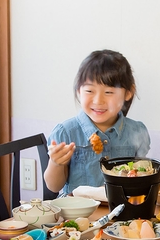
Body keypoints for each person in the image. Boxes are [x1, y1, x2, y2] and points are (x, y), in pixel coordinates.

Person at [43, 49, 151, 195]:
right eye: (89, 91)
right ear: (78, 91)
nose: (98, 101)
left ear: (128, 93)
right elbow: (53, 186)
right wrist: (55, 163)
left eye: (108, 92)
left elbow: (141, 177)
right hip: (78, 212)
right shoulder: (65, 132)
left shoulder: (137, 131)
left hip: (122, 210)